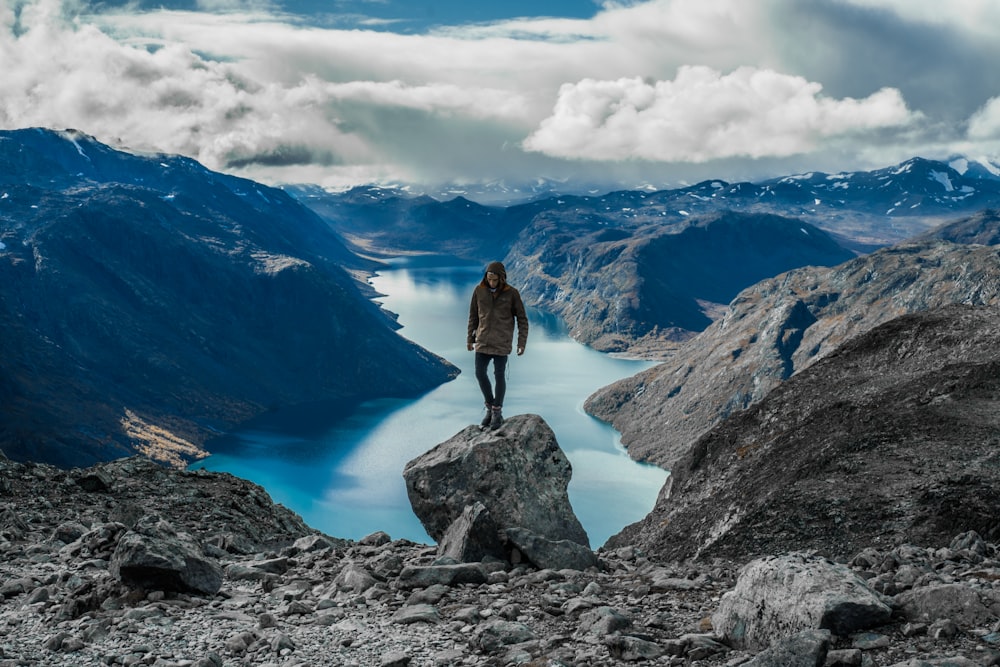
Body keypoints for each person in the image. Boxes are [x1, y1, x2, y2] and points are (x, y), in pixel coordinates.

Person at [467, 261, 528, 430]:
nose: (492, 283)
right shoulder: (479, 291)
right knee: (480, 373)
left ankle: (496, 411)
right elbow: (473, 316)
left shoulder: (512, 294)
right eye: (489, 279)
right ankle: (489, 407)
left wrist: (521, 343)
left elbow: (522, 319)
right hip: (483, 340)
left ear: (502, 278)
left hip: (501, 342)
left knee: (499, 375)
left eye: (495, 280)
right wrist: (470, 339)